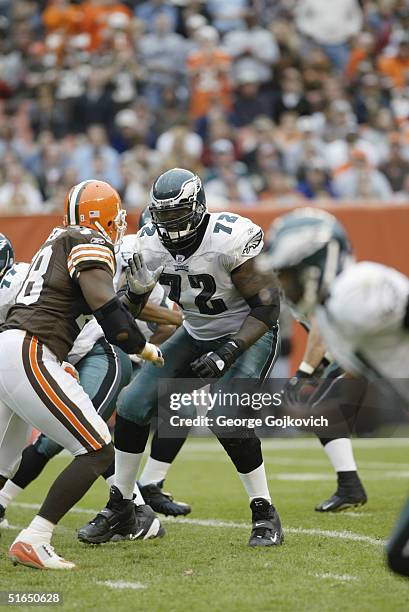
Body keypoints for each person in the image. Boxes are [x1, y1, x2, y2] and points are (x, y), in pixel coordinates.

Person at [79, 168, 284, 547]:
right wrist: (136, 293)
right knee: (132, 404)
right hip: (195, 332)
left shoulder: (230, 239)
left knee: (226, 418)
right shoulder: (150, 243)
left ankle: (264, 512)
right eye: (165, 215)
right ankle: (122, 506)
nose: (171, 224)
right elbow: (127, 311)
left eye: (179, 213)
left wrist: (228, 352)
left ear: (199, 207)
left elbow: (268, 309)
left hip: (247, 334)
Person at [0, 180, 164, 569]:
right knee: (96, 449)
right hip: (30, 350)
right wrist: (142, 346)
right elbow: (108, 312)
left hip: (10, 347)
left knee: (4, 461)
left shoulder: (61, 239)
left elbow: (99, 306)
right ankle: (36, 537)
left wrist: (136, 298)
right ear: (101, 216)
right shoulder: (89, 238)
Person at [0, 217, 190, 524]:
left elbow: (120, 309)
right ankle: (134, 510)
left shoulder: (44, 261)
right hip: (76, 349)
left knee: (81, 438)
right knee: (83, 440)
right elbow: (112, 308)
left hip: (77, 350)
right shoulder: (118, 247)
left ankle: (141, 501)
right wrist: (149, 342)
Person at [264, 208, 367, 511]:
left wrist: (302, 376)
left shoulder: (350, 287)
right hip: (359, 356)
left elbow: (322, 332)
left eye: (291, 268)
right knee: (325, 411)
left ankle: (350, 485)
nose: (283, 276)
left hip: (374, 356)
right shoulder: (314, 289)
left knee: (323, 408)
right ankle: (350, 485)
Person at [315, 261, 409, 577]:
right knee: (400, 557)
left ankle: (349, 485)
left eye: (287, 274)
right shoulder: (329, 309)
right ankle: (349, 485)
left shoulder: (360, 289)